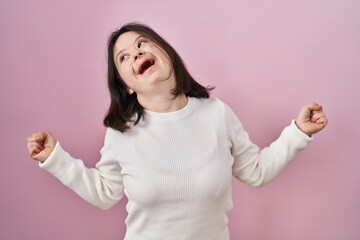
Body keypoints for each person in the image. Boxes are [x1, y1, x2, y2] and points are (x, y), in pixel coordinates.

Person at [27, 23, 328, 240]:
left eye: (142, 43)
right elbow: (105, 193)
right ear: (126, 86)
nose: (135, 53)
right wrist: (55, 158)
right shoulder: (122, 134)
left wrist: (298, 132)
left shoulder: (216, 113)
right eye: (123, 57)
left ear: (165, 51)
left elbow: (257, 171)